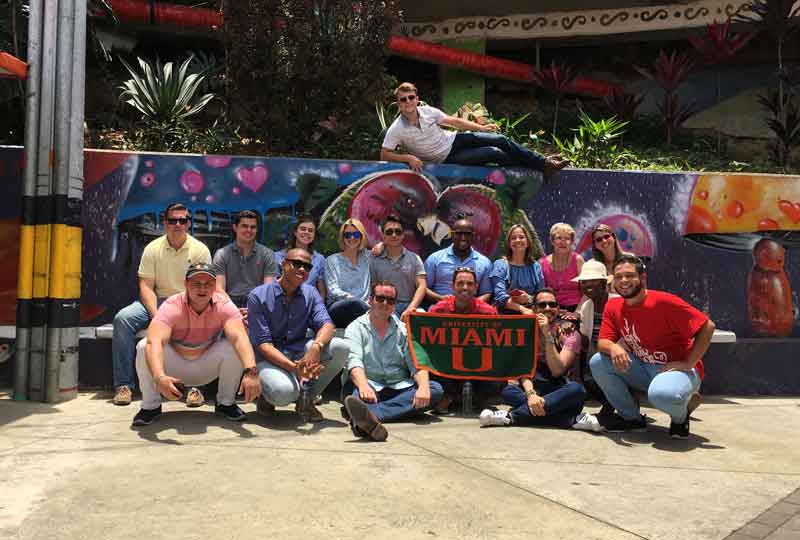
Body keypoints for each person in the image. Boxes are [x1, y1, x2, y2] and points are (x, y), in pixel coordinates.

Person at [589, 255, 715, 439]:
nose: (623, 281)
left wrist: (689, 363)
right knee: (598, 362)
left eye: (629, 275)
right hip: (642, 367)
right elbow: (603, 342)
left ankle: (680, 417)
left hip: (676, 370)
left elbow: (707, 326)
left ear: (642, 278)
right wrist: (615, 348)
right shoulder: (613, 306)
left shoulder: (664, 302)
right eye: (618, 277)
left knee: (662, 394)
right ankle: (632, 420)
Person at [131, 263, 261, 426]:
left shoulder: (224, 306)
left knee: (232, 347)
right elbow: (154, 342)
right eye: (196, 283)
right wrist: (159, 377)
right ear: (185, 284)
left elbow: (239, 337)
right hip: (174, 366)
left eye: (208, 284)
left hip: (206, 365)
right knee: (144, 346)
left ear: (215, 286)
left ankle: (226, 404)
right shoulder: (172, 305)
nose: (202, 288)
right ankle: (150, 406)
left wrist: (252, 372)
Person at [112, 202, 211, 406]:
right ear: (165, 223)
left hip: (187, 302)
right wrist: (157, 315)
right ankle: (123, 385)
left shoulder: (200, 250)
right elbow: (146, 286)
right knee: (123, 319)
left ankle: (195, 388)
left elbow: (203, 287)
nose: (177, 224)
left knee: (201, 322)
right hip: (156, 302)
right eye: (172, 220)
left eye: (182, 220)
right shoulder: (152, 249)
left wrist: (183, 313)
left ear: (188, 223)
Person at [380, 82, 567, 178]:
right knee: (494, 153)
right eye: (403, 100)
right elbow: (385, 154)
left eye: (410, 97)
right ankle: (542, 167)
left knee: (500, 139)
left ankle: (544, 164)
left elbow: (454, 122)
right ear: (399, 104)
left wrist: (482, 127)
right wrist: (408, 157)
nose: (408, 102)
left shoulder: (427, 111)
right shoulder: (397, 128)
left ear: (416, 98)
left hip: (454, 140)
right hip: (446, 159)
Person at [479, 288, 602, 432]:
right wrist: (531, 395)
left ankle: (511, 416)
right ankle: (569, 420)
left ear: (558, 308)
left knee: (577, 390)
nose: (547, 308)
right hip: (533, 386)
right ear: (534, 309)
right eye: (542, 305)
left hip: (559, 388)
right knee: (509, 391)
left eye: (552, 304)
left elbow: (557, 371)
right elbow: (523, 369)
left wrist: (547, 334)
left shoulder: (571, 333)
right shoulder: (525, 331)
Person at [248, 247, 348, 423]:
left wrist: (316, 347)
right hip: (268, 358)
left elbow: (327, 325)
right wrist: (295, 369)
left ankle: (307, 399)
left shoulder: (311, 293)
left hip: (298, 352)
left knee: (340, 347)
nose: (302, 269)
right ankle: (266, 395)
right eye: (297, 264)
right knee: (283, 393)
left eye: (307, 267)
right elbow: (263, 345)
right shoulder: (258, 296)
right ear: (284, 264)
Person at [342, 281, 444, 441]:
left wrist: (423, 387)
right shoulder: (355, 328)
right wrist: (363, 386)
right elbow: (354, 362)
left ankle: (369, 417)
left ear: (395, 305)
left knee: (434, 389)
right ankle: (367, 417)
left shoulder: (404, 330)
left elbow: (417, 364)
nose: (385, 303)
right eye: (380, 298)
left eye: (390, 300)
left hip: (399, 387)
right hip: (368, 387)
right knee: (353, 395)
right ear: (370, 300)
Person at [428, 267, 498, 413]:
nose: (465, 287)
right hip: (447, 364)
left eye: (469, 284)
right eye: (460, 283)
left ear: (476, 287)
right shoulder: (438, 310)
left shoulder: (489, 312)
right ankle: (450, 396)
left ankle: (478, 397)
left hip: (478, 363)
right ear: (452, 286)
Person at [213, 209, 277, 308]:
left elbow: (268, 289)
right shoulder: (222, 254)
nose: (249, 230)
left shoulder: (268, 254)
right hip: (228, 302)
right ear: (235, 227)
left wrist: (253, 309)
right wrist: (233, 310)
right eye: (244, 226)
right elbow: (219, 289)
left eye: (253, 227)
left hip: (258, 302)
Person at [369, 214, 427, 320]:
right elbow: (372, 287)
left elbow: (422, 286)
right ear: (383, 235)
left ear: (403, 235)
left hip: (410, 304)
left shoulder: (414, 258)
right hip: (384, 305)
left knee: (421, 315)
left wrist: (411, 308)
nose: (394, 235)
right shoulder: (374, 259)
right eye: (389, 232)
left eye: (398, 231)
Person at [425, 218, 492, 305]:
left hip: (472, 313)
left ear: (473, 236)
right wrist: (441, 300)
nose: (463, 238)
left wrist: (471, 306)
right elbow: (423, 288)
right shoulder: (435, 259)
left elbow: (487, 293)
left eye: (467, 234)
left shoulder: (485, 263)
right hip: (439, 310)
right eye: (459, 233)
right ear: (452, 235)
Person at [324, 218, 371, 328]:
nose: (352, 238)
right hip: (340, 307)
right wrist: (350, 298)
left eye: (356, 234)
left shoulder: (369, 258)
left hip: (363, 308)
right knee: (354, 303)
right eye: (347, 235)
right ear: (342, 237)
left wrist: (381, 245)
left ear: (362, 236)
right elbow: (332, 290)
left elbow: (387, 250)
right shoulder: (332, 260)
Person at [490, 224, 545, 315]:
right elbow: (499, 296)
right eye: (513, 238)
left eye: (521, 237)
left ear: (528, 242)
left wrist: (529, 298)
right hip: (504, 315)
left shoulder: (536, 266)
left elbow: (542, 295)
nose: (517, 240)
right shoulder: (500, 264)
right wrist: (522, 309)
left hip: (531, 312)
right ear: (509, 243)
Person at [274, 214, 326, 299]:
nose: (306, 232)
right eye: (303, 229)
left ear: (314, 236)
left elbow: (322, 292)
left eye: (310, 230)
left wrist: (318, 308)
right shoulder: (278, 256)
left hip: (309, 304)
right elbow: (274, 286)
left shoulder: (319, 259)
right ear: (295, 232)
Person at [539, 222, 584, 311]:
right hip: (552, 309)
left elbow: (586, 293)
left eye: (567, 238)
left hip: (577, 308)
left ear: (571, 242)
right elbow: (541, 294)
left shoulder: (578, 260)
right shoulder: (542, 263)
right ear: (552, 241)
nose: (563, 242)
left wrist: (577, 312)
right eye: (559, 238)